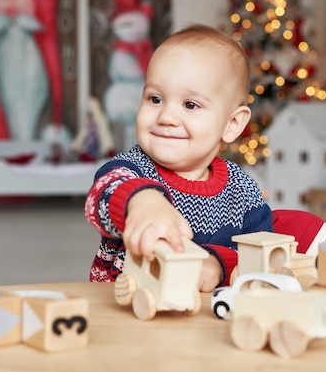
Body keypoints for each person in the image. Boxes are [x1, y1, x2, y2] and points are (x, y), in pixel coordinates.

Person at [84, 23, 273, 292]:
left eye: (190, 105)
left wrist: (219, 265)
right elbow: (101, 197)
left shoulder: (242, 191)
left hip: (205, 318)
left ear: (232, 124)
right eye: (155, 99)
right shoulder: (130, 169)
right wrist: (141, 201)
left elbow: (260, 253)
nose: (167, 117)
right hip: (126, 306)